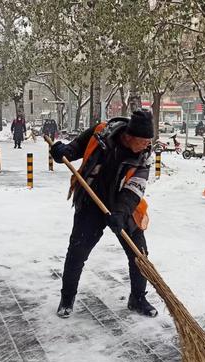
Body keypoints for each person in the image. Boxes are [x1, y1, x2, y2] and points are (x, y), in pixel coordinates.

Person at [49, 110, 157, 319]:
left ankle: (137, 298)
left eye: (148, 141)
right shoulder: (101, 133)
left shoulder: (144, 156)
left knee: (139, 254)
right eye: (143, 141)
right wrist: (61, 152)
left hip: (124, 207)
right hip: (91, 200)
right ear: (129, 136)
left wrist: (120, 212)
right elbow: (74, 150)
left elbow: (135, 188)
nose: (147, 145)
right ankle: (67, 298)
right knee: (77, 251)